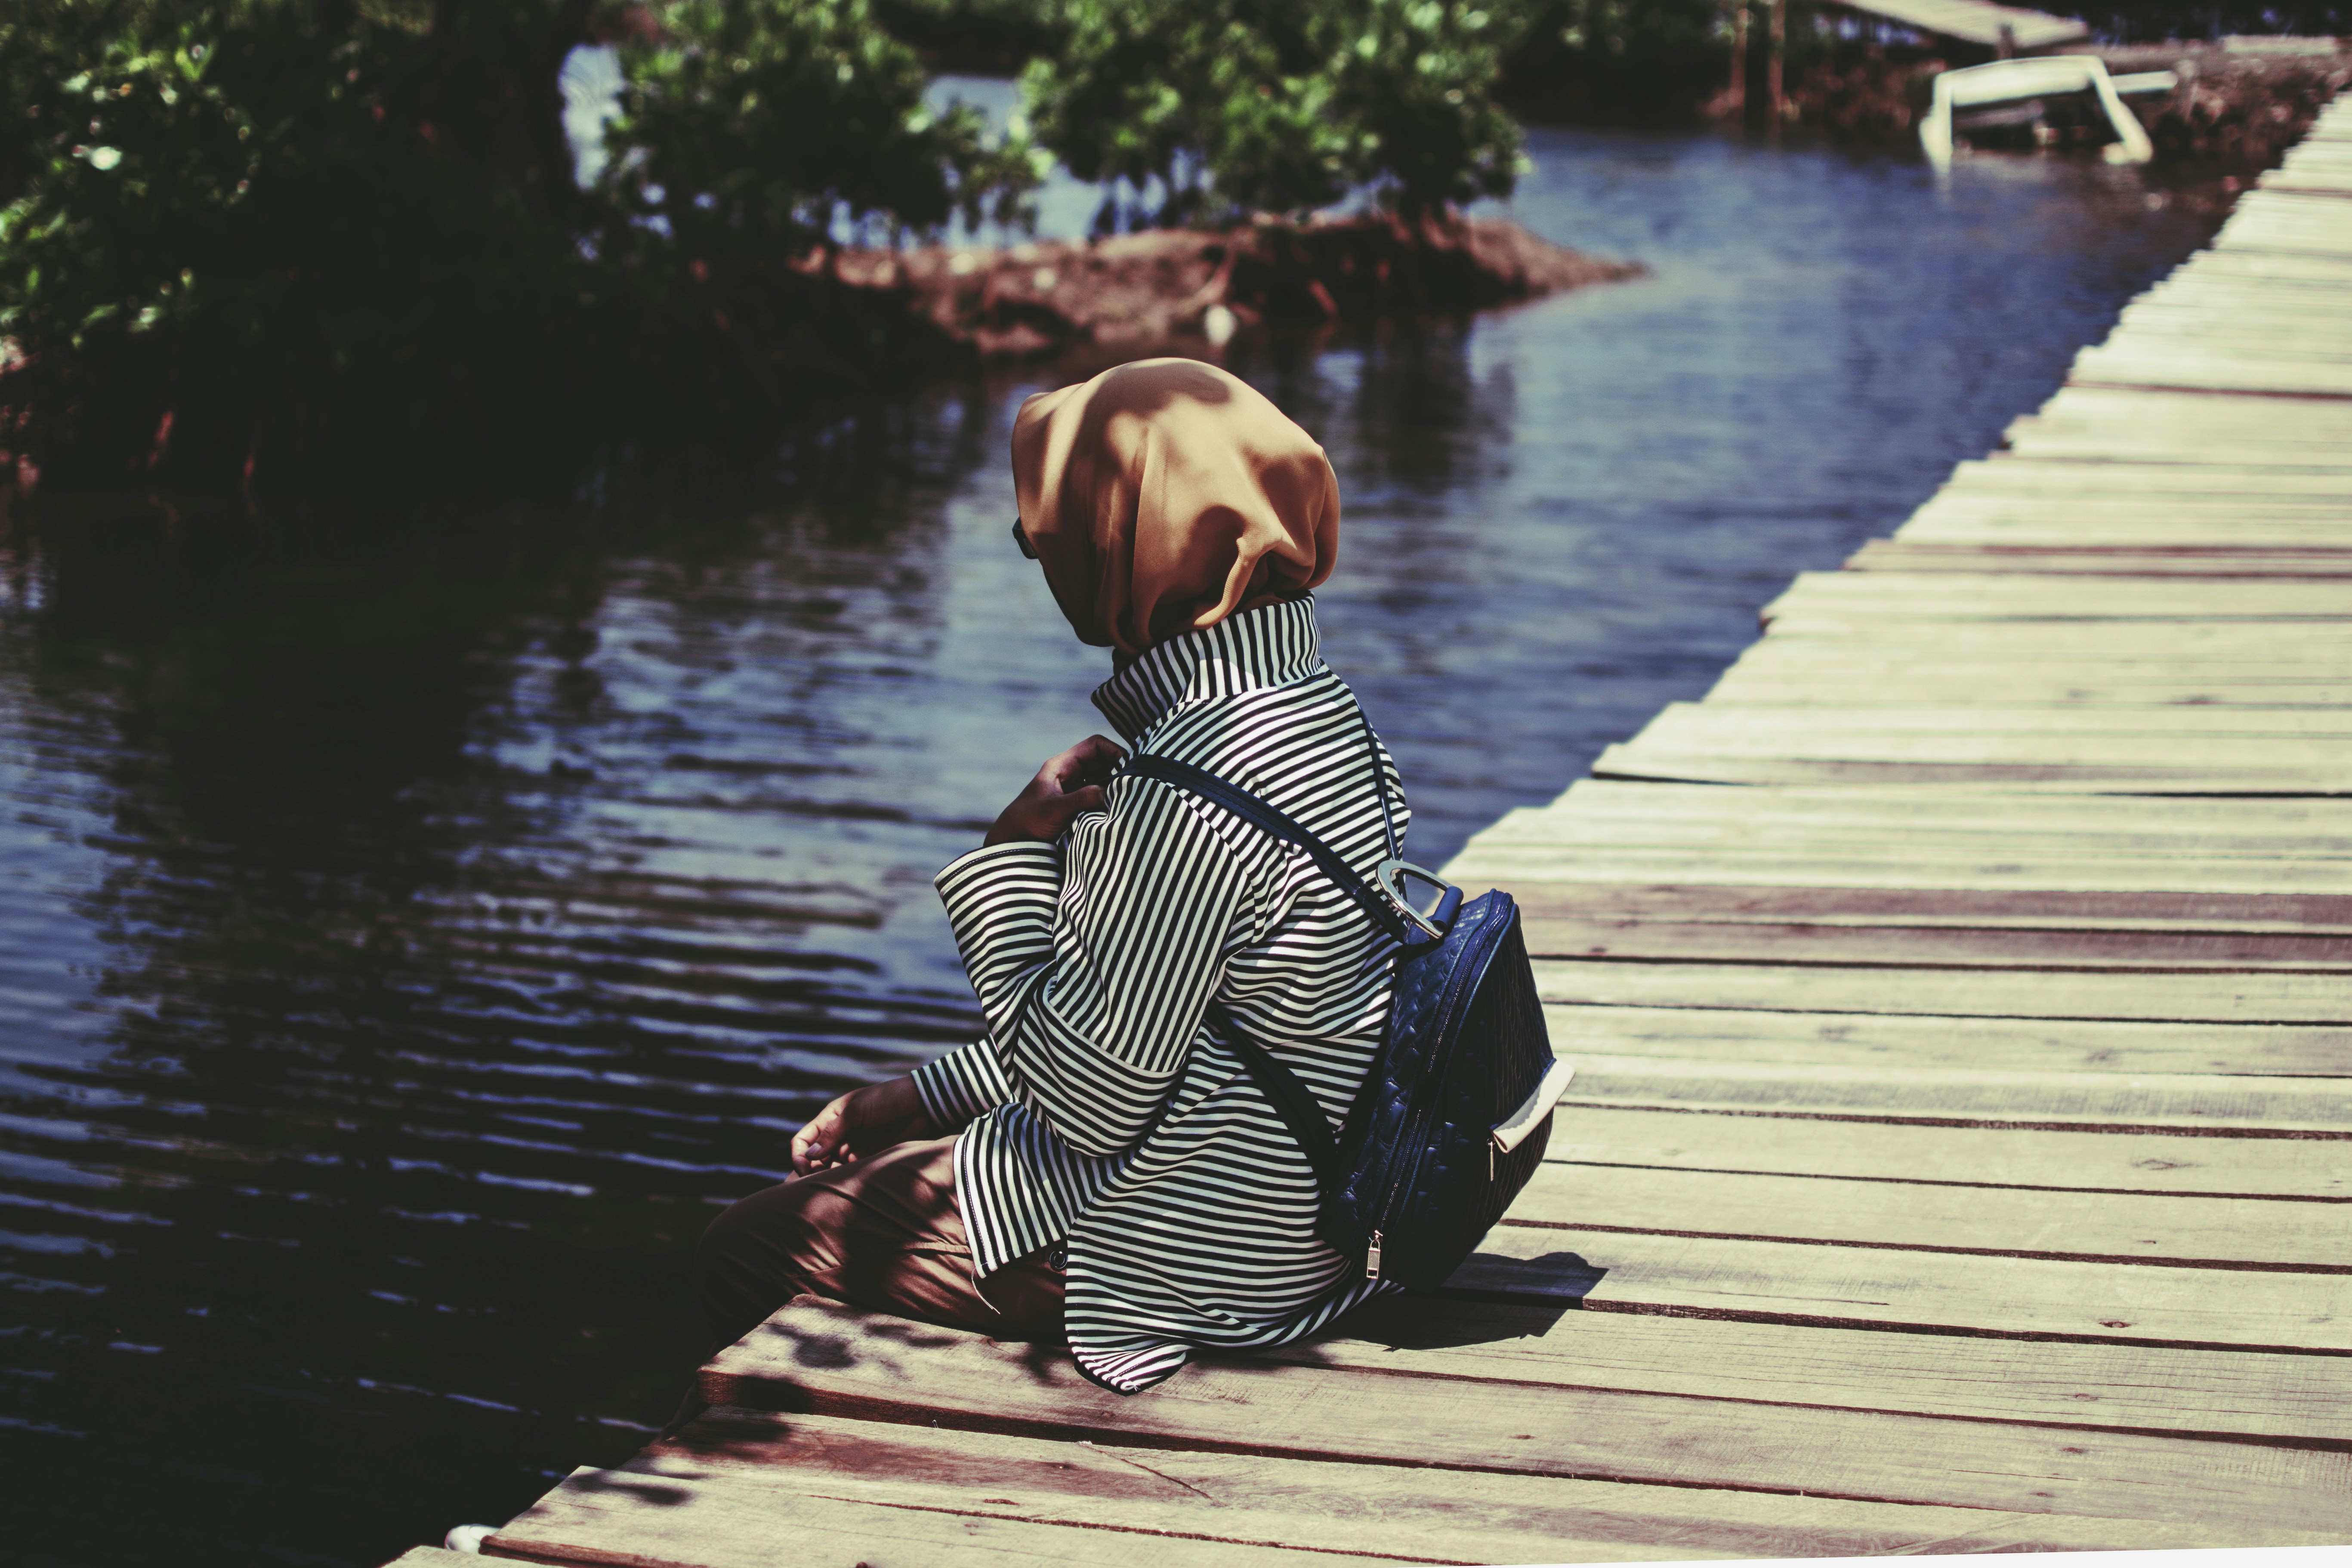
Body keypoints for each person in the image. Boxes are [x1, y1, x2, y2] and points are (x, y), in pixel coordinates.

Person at [692, 356, 1408, 1397]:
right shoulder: (1327, 715)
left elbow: (1091, 1098)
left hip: (1200, 1258)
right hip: (1302, 1223)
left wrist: (1009, 860)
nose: (1037, 552)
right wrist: (910, 1099)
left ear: (1125, 541)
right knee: (866, 1192)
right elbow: (1193, 1037)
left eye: (1055, 532)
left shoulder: (1194, 786)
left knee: (745, 1247)